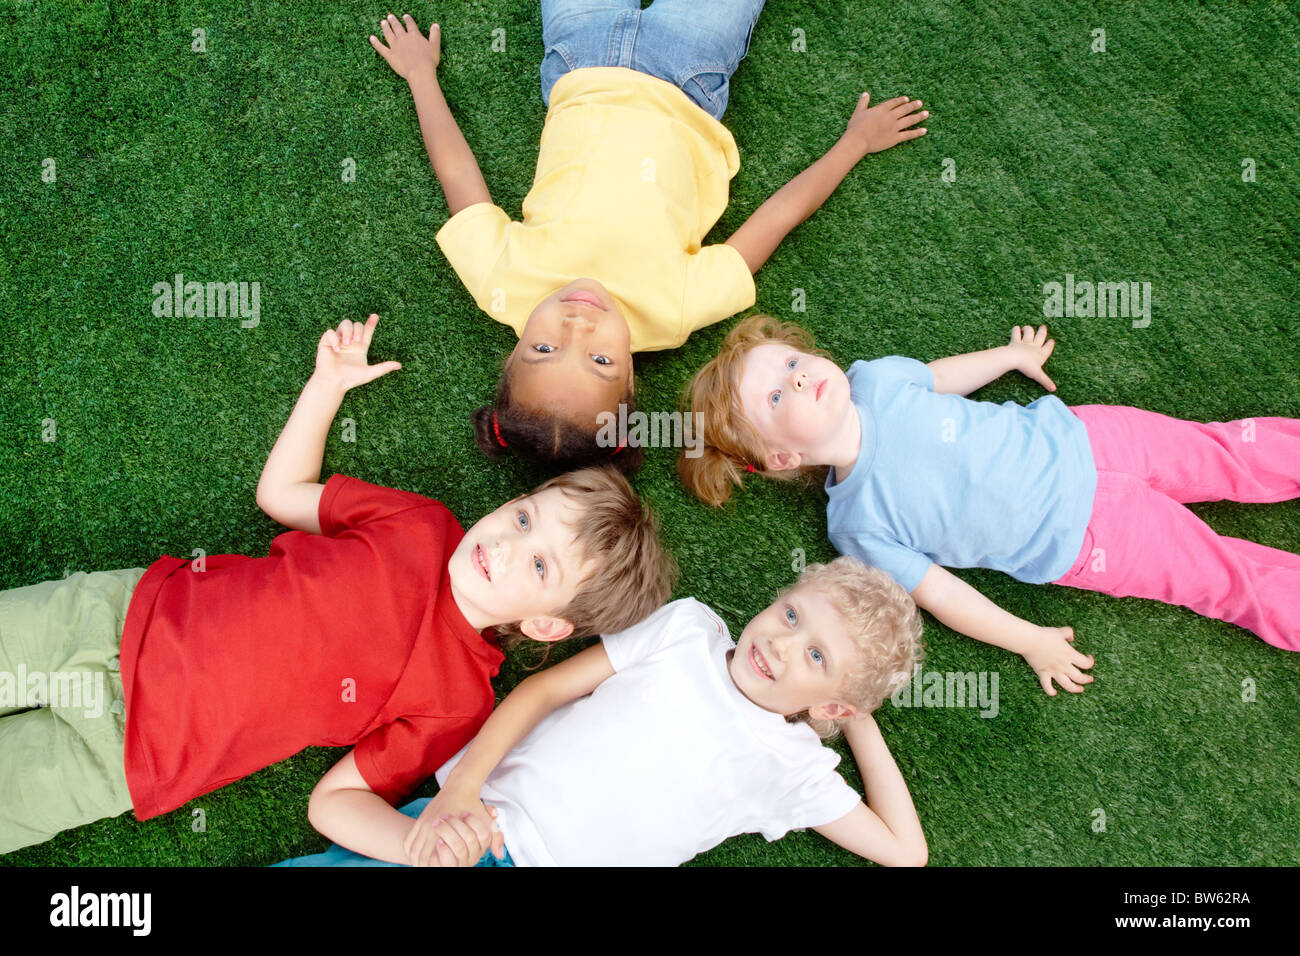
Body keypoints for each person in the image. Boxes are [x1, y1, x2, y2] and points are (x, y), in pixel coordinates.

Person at [0, 314, 674, 856]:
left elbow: (334, 802)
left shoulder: (457, 701)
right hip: (116, 616)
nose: (507, 541)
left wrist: (416, 842)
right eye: (524, 517)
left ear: (548, 624)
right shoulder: (421, 523)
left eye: (539, 566)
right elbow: (282, 493)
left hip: (127, 754)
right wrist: (326, 387)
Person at [368, 4, 929, 472]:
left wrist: (421, 75)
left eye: (543, 349)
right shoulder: (675, 312)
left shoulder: (501, 284)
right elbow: (776, 218)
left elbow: (458, 175)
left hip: (577, 58)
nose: (576, 326)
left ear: (513, 352)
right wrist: (854, 144)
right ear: (633, 374)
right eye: (600, 360)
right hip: (688, 74)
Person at [678, 316, 1300, 692]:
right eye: (777, 400)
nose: (796, 377)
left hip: (1088, 436)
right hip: (1085, 537)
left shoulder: (878, 378)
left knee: (1223, 450)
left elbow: (940, 377)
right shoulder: (857, 526)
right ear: (783, 457)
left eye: (789, 363)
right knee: (1222, 576)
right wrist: (1028, 639)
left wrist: (1010, 358)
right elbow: (945, 595)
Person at [277, 557, 928, 867]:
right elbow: (545, 691)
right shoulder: (687, 631)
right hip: (481, 831)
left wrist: (853, 720)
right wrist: (465, 791)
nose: (781, 645)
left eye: (815, 656)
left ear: (832, 701)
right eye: (791, 615)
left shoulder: (796, 769)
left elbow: (906, 851)